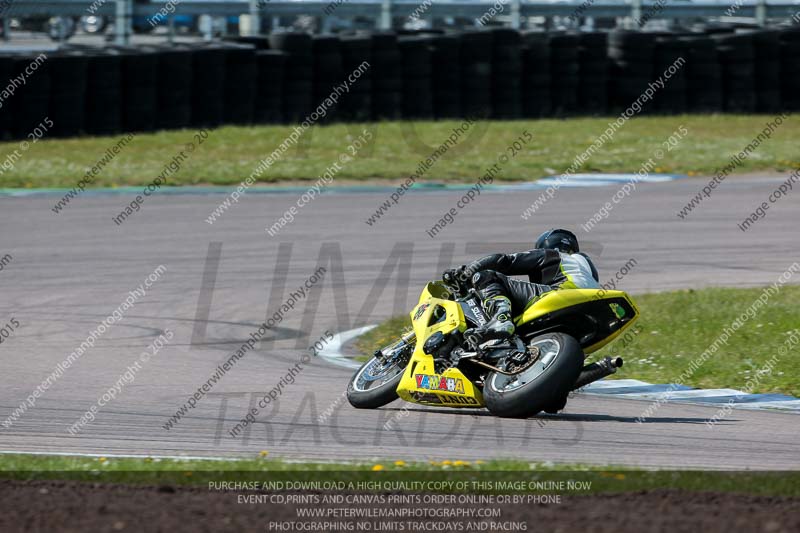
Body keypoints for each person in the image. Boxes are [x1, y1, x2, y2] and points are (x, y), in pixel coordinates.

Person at [445, 228, 600, 346]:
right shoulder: (586, 269)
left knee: (486, 276)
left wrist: (465, 272)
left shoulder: (552, 254)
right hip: (592, 311)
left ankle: (501, 318)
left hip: (562, 294)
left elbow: (504, 261)